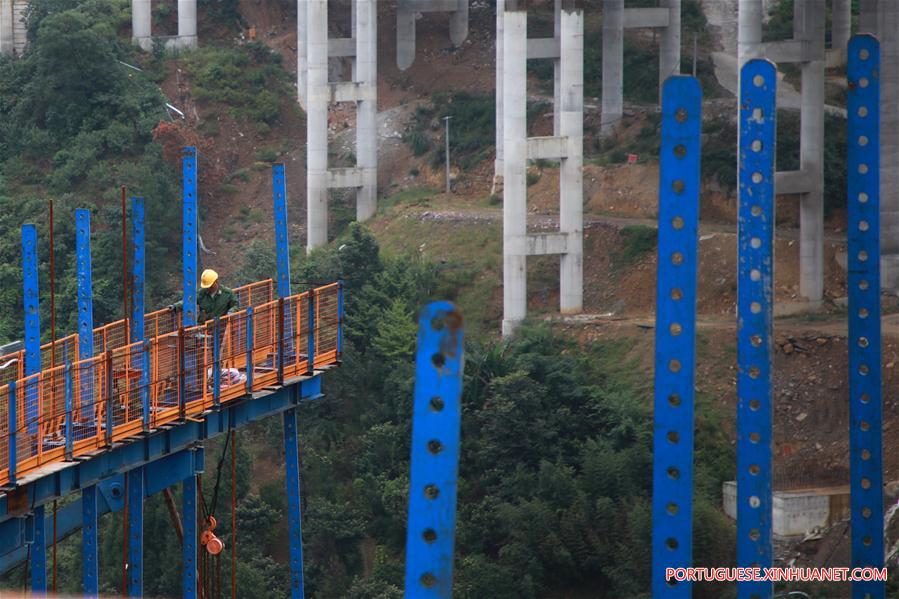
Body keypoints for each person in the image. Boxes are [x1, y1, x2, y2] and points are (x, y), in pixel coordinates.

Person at [169, 269, 239, 322]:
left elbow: (235, 305)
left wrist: (231, 311)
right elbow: (189, 301)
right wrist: (175, 306)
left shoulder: (227, 293)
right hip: (204, 328)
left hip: (221, 328)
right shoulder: (202, 293)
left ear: (216, 282)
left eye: (210, 286)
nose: (208, 288)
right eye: (207, 286)